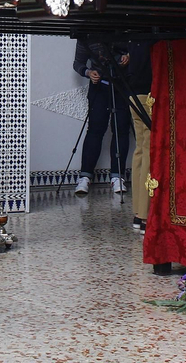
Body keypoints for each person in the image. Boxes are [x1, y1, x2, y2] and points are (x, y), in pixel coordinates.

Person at [72, 33, 132, 198]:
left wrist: (129, 56)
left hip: (122, 85)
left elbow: (138, 49)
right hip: (99, 87)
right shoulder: (85, 34)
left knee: (121, 128)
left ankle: (117, 176)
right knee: (95, 129)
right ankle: (85, 176)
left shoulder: (123, 28)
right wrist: (88, 72)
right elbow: (78, 63)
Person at [124, 39, 156, 236]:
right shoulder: (152, 38)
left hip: (133, 92)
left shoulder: (134, 36)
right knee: (150, 151)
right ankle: (146, 215)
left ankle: (137, 213)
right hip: (149, 93)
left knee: (140, 151)